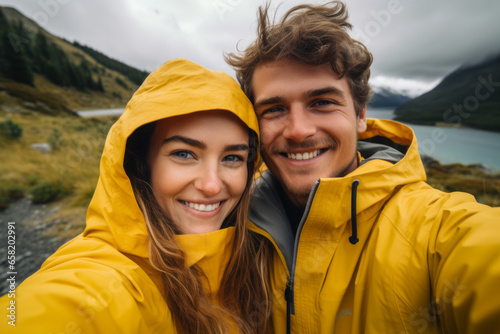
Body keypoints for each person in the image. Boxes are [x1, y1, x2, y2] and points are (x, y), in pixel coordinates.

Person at [225, 2, 500, 333]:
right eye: (273, 108)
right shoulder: (227, 221)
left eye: (322, 103)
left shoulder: (435, 230)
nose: (298, 130)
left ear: (360, 116)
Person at [0, 59, 272, 333]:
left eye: (232, 158)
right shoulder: (105, 281)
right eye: (183, 154)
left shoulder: (261, 250)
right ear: (142, 162)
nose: (212, 185)